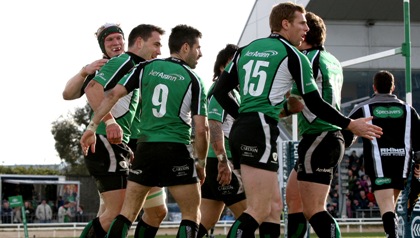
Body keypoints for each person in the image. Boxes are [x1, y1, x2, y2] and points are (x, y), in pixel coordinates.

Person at [212, 2, 382, 237]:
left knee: (274, 208)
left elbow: (219, 92)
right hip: (264, 129)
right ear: (285, 24)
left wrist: (242, 116)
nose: (305, 28)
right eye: (301, 23)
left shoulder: (245, 49)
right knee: (260, 209)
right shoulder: (296, 56)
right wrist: (350, 124)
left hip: (246, 129)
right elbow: (314, 102)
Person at [80, 24, 209, 238]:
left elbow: (112, 96)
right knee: (190, 215)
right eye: (198, 48)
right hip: (175, 148)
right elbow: (201, 128)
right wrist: (202, 163)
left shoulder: (145, 68)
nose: (201, 54)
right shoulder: (193, 79)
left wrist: (92, 126)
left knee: (135, 213)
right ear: (185, 48)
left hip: (145, 150)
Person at [72, 23, 168, 238]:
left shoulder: (141, 68)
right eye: (157, 44)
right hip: (107, 142)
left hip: (132, 146)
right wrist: (109, 122)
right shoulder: (123, 61)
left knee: (156, 211)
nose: (160, 51)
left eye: (119, 38)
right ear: (140, 42)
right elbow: (90, 89)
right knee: (117, 212)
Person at [282, 11, 346, 237]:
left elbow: (298, 103)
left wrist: (269, 111)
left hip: (319, 136)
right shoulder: (332, 60)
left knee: (313, 208)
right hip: (326, 137)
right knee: (293, 198)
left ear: (306, 33)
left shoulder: (306, 60)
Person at [342, 70, 420, 238]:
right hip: (401, 165)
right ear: (393, 87)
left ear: (374, 87)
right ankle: (393, 232)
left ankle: (391, 235)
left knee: (386, 205)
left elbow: (346, 132)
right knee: (391, 204)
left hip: (379, 164)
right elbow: (419, 139)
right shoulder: (408, 110)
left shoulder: (364, 109)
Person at [197, 44, 247, 238]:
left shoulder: (235, 92)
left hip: (215, 163)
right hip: (220, 164)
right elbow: (214, 125)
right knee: (249, 216)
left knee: (205, 221)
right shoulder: (220, 90)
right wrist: (223, 161)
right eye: (233, 63)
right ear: (221, 68)